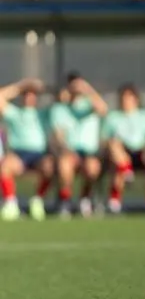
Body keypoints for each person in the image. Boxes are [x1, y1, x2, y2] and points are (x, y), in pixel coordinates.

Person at [50, 73, 108, 218]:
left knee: (92, 168)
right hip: (70, 152)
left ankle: (85, 198)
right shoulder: (60, 109)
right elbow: (58, 135)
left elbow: (103, 109)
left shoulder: (89, 104)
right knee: (65, 164)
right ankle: (65, 201)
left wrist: (86, 89)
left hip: (89, 152)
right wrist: (66, 149)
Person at [0, 78, 53, 221]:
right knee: (5, 166)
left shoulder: (43, 114)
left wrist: (41, 86)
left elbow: (60, 100)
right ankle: (11, 204)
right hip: (19, 154)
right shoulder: (15, 113)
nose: (29, 97)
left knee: (49, 166)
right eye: (26, 94)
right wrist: (20, 86)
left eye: (32, 94)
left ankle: (37, 201)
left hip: (38, 155)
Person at [102, 84, 145, 213]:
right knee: (115, 148)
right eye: (123, 98)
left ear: (136, 99)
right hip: (121, 153)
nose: (125, 101)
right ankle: (115, 201)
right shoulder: (113, 117)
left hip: (142, 153)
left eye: (128, 98)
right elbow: (105, 139)